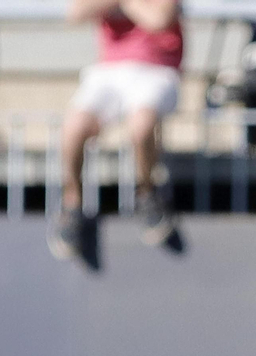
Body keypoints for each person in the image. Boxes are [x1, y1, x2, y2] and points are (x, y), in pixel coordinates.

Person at [49, 0, 183, 261]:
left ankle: (147, 192)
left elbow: (159, 19)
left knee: (141, 124)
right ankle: (72, 203)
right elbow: (76, 12)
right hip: (109, 70)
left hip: (157, 69)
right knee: (73, 126)